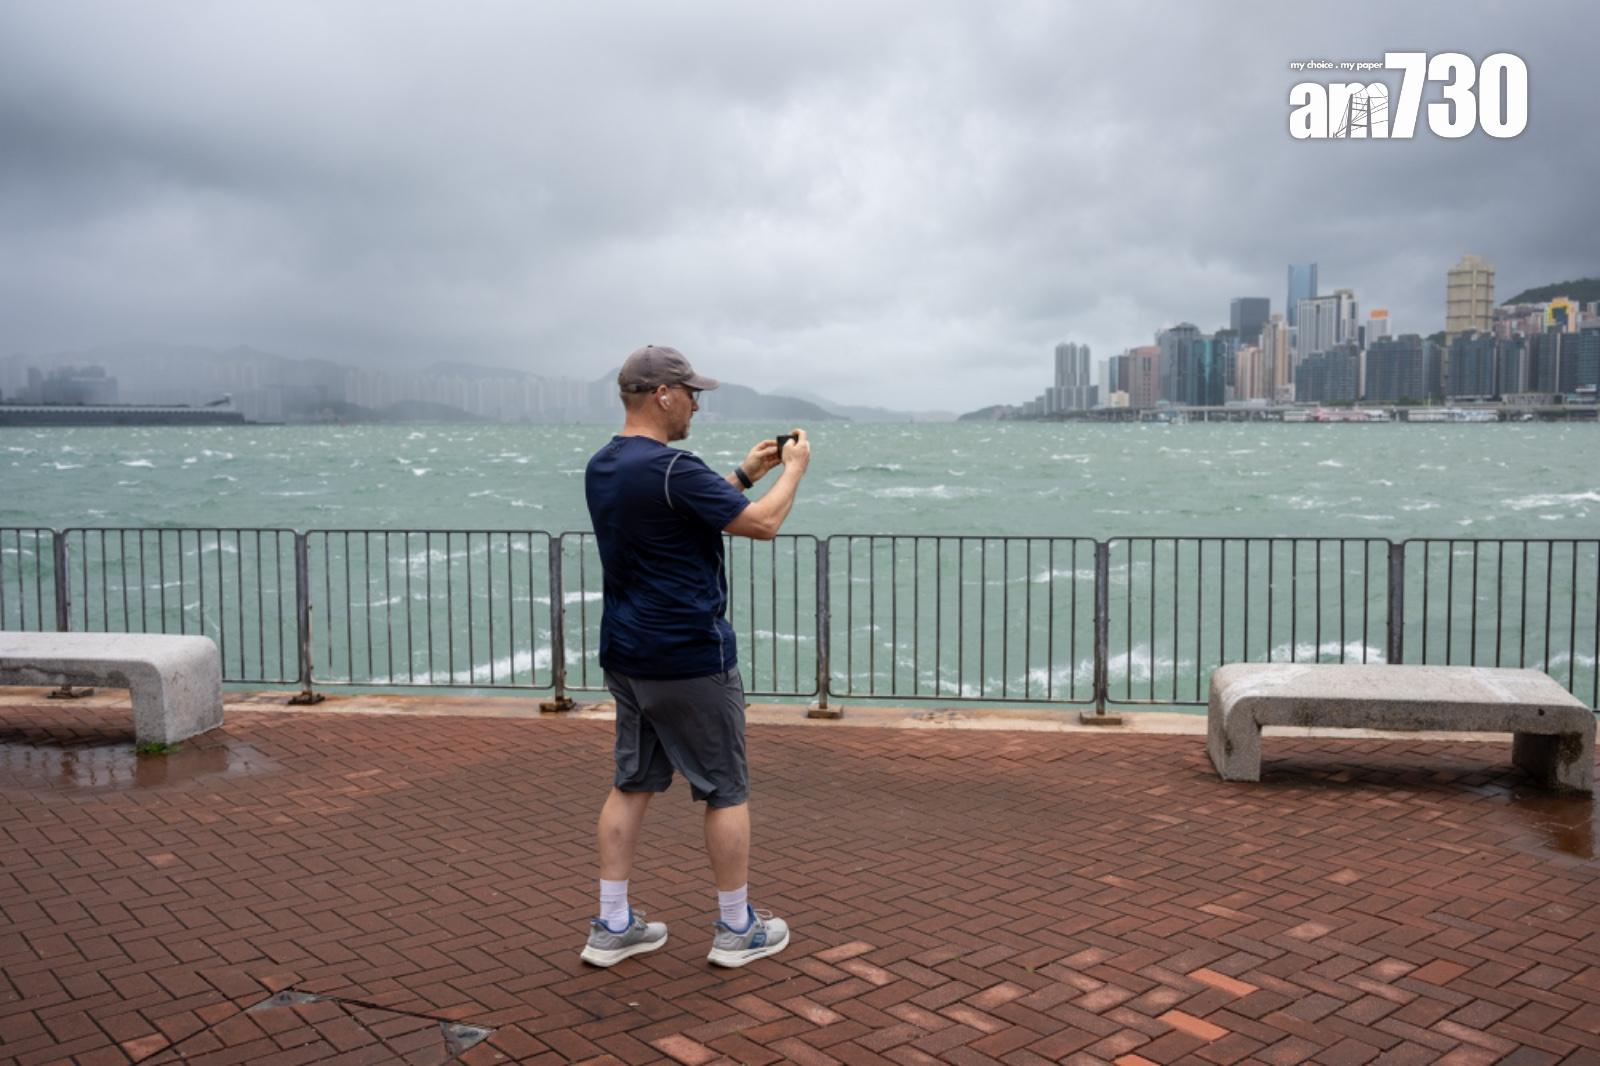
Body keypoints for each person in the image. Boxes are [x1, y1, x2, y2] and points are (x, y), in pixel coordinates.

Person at [579, 344, 811, 969]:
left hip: (627, 652)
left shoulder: (605, 465)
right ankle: (738, 929)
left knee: (632, 782)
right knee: (725, 790)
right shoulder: (671, 466)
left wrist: (740, 476)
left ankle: (613, 923)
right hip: (687, 655)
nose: (697, 404)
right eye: (692, 393)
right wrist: (793, 470)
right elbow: (761, 526)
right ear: (662, 395)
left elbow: (675, 518)